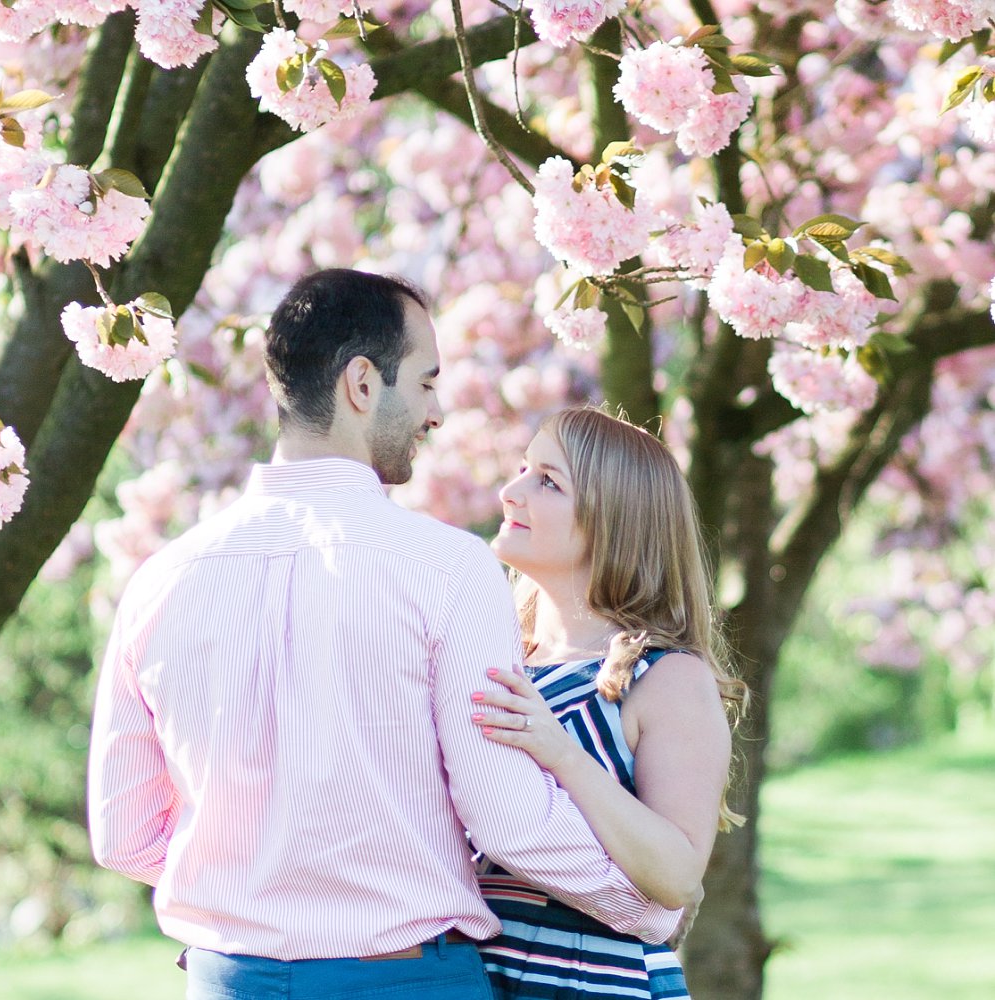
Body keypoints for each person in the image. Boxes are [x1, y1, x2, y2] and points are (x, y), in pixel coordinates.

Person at [87, 270, 680, 1000]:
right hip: (404, 979)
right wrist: (646, 907)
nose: (436, 412)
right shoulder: (448, 569)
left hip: (227, 980)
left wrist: (254, 886)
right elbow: (505, 816)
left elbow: (123, 836)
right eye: (426, 384)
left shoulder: (158, 581)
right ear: (362, 384)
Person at [467, 406, 748, 999]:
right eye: (523, 469)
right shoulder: (496, 652)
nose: (510, 492)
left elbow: (676, 874)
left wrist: (562, 755)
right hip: (481, 977)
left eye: (547, 481)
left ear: (613, 519)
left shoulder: (667, 677)